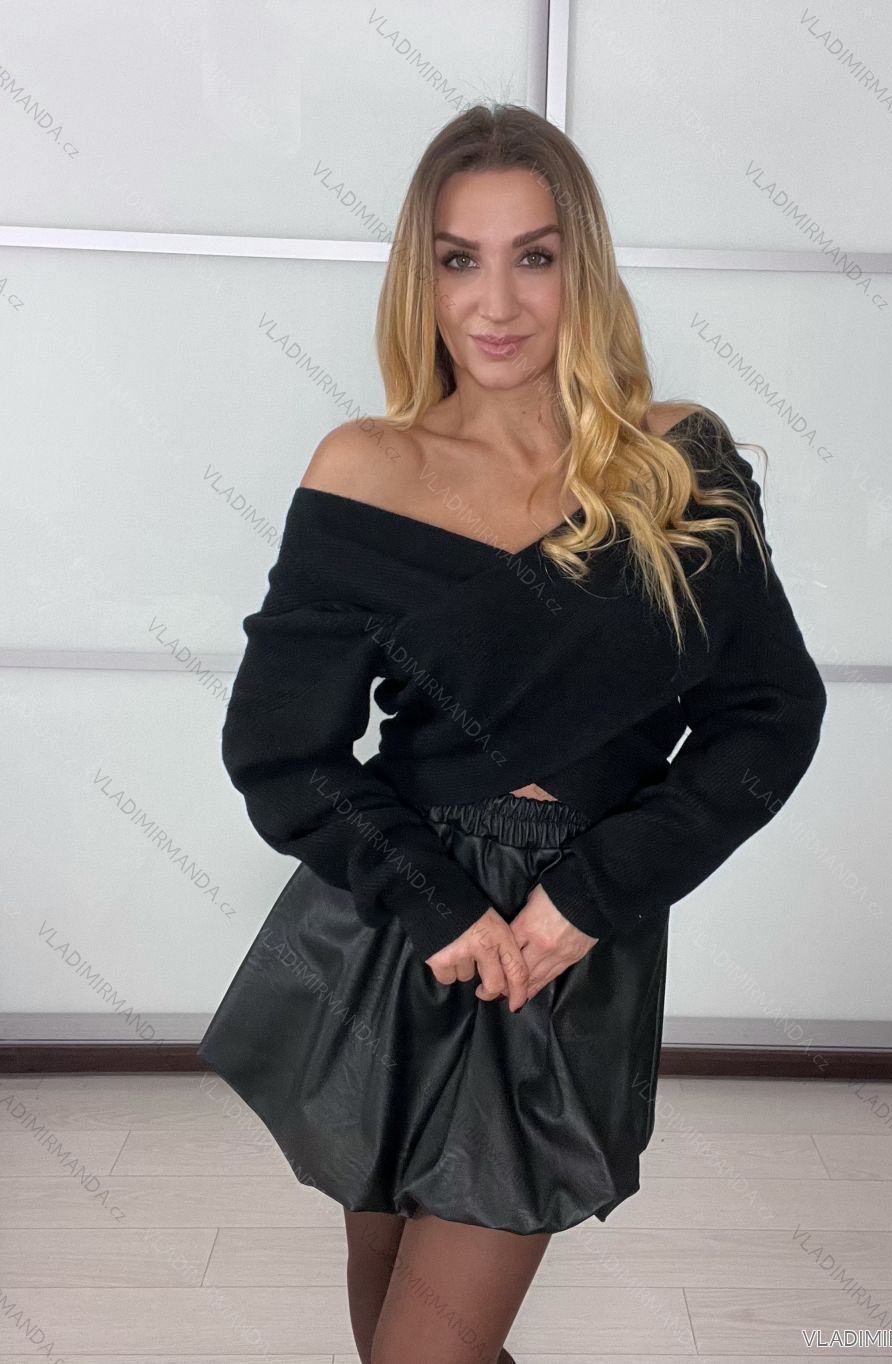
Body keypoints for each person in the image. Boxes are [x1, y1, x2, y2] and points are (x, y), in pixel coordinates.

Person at [197, 102, 827, 1364]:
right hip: (401, 926)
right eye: (459, 258)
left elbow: (770, 715)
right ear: (420, 277)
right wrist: (439, 907)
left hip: (565, 941)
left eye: (534, 256)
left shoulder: (677, 463)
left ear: (581, 268)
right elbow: (282, 749)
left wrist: (594, 893)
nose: (497, 303)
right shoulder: (365, 467)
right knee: (400, 1322)